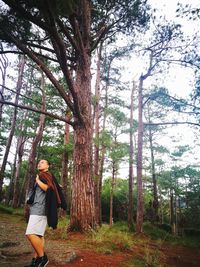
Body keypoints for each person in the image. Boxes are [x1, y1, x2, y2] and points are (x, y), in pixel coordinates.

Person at [25, 159, 66, 267]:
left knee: (30, 234)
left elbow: (49, 188)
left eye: (42, 162)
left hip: (40, 209)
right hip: (39, 208)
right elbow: (53, 186)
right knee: (39, 235)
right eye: (39, 162)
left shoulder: (43, 175)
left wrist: (38, 181)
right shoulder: (45, 175)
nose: (39, 163)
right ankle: (35, 261)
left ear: (48, 166)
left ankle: (43, 258)